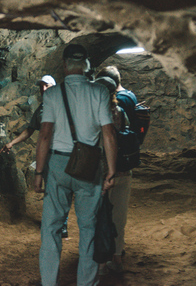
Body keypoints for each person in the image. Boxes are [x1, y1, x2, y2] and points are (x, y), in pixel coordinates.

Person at [34, 44, 117, 286]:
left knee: (50, 227)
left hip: (58, 164)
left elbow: (45, 135)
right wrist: (111, 170)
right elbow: (109, 134)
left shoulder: (51, 95)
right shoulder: (99, 93)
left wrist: (39, 172)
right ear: (87, 66)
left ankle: (49, 282)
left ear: (64, 65)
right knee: (88, 229)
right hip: (89, 166)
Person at [0, 75, 70, 238]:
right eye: (41, 86)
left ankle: (63, 225)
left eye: (46, 86)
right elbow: (29, 130)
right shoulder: (42, 108)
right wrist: (12, 143)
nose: (43, 89)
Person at [95, 66, 137, 273]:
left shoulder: (92, 114)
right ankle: (117, 258)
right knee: (119, 218)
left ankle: (101, 262)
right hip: (123, 171)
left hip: (101, 174)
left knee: (100, 218)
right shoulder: (119, 111)